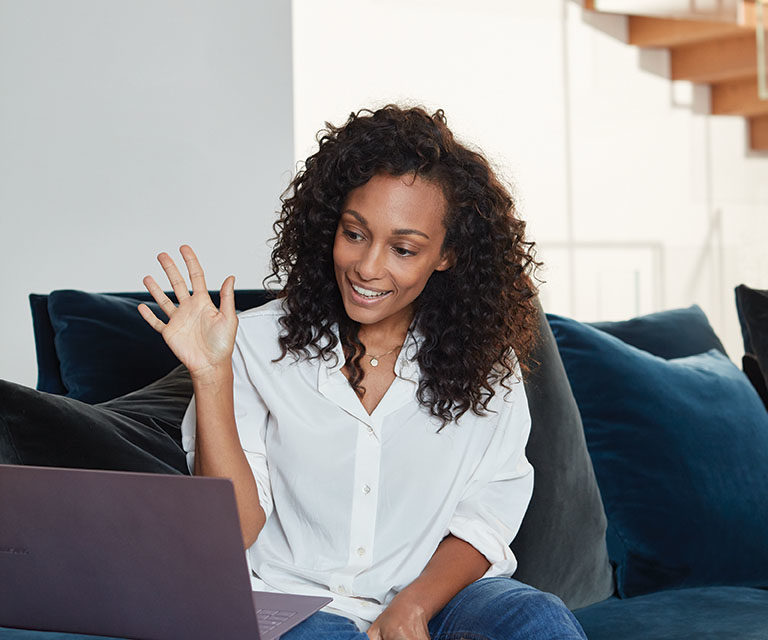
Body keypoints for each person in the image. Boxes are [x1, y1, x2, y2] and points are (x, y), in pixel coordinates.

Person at [138, 105, 587, 640]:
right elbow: (233, 531)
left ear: (446, 255)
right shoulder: (251, 344)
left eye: (403, 249)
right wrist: (211, 375)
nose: (368, 267)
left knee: (536, 619)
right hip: (297, 607)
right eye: (354, 234)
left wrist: (413, 606)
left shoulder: (486, 361)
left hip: (439, 600)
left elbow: (486, 516)